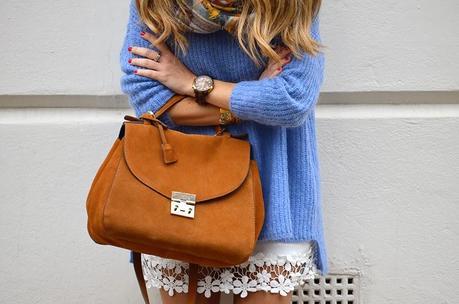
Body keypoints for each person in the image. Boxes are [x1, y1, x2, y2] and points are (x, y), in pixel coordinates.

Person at [119, 0, 328, 303]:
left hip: (272, 193)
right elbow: (149, 98)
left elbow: (291, 100)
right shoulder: (158, 3)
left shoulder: (289, 3)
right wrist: (248, 100)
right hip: (180, 192)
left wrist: (192, 84)